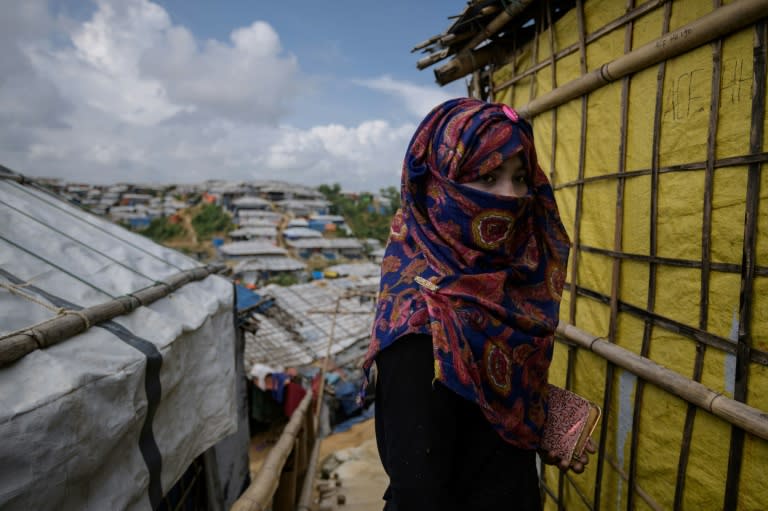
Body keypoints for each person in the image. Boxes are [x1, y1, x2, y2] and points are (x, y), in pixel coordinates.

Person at [362, 98, 595, 511]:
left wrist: (534, 412)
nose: (510, 197)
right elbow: (419, 493)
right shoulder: (423, 324)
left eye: (520, 178)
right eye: (487, 178)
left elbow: (469, 410)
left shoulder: (498, 292)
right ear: (438, 187)